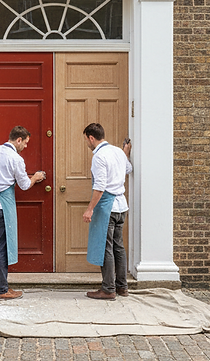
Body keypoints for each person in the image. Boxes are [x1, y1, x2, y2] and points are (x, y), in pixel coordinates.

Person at [0, 125, 46, 300]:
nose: (26, 147)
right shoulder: (15, 158)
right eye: (25, 143)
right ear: (18, 140)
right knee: (3, 247)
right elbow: (24, 185)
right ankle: (2, 289)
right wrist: (35, 177)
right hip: (1, 207)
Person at [81, 122, 132, 300]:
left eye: (86, 140)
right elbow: (128, 169)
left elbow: (100, 186)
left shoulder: (99, 156)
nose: (87, 144)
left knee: (106, 248)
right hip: (121, 206)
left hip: (107, 207)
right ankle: (122, 287)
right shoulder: (118, 152)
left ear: (91, 138)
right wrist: (125, 154)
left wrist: (89, 209)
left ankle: (108, 289)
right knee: (119, 247)